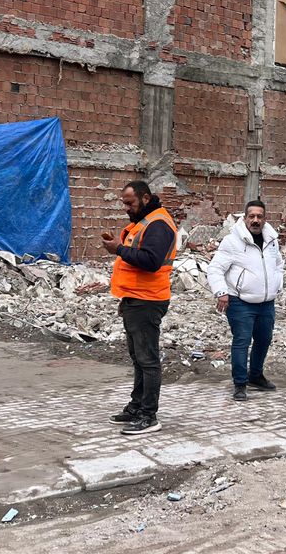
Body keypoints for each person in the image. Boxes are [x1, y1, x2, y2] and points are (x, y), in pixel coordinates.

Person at [101, 180, 178, 435]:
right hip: (136, 299)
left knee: (148, 360)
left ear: (145, 198)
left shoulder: (158, 224)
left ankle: (148, 415)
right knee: (139, 358)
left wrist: (119, 249)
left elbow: (151, 261)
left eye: (130, 203)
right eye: (124, 203)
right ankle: (136, 406)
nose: (126, 208)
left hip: (148, 300)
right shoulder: (145, 222)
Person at [207, 200, 284, 401]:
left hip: (266, 303)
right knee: (242, 341)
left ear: (265, 219)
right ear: (245, 218)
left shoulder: (272, 240)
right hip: (240, 302)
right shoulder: (232, 241)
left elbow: (278, 264)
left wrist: (277, 284)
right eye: (252, 216)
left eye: (259, 216)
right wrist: (221, 292)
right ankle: (240, 384)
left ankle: (255, 376)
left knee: (264, 339)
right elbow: (215, 268)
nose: (255, 220)